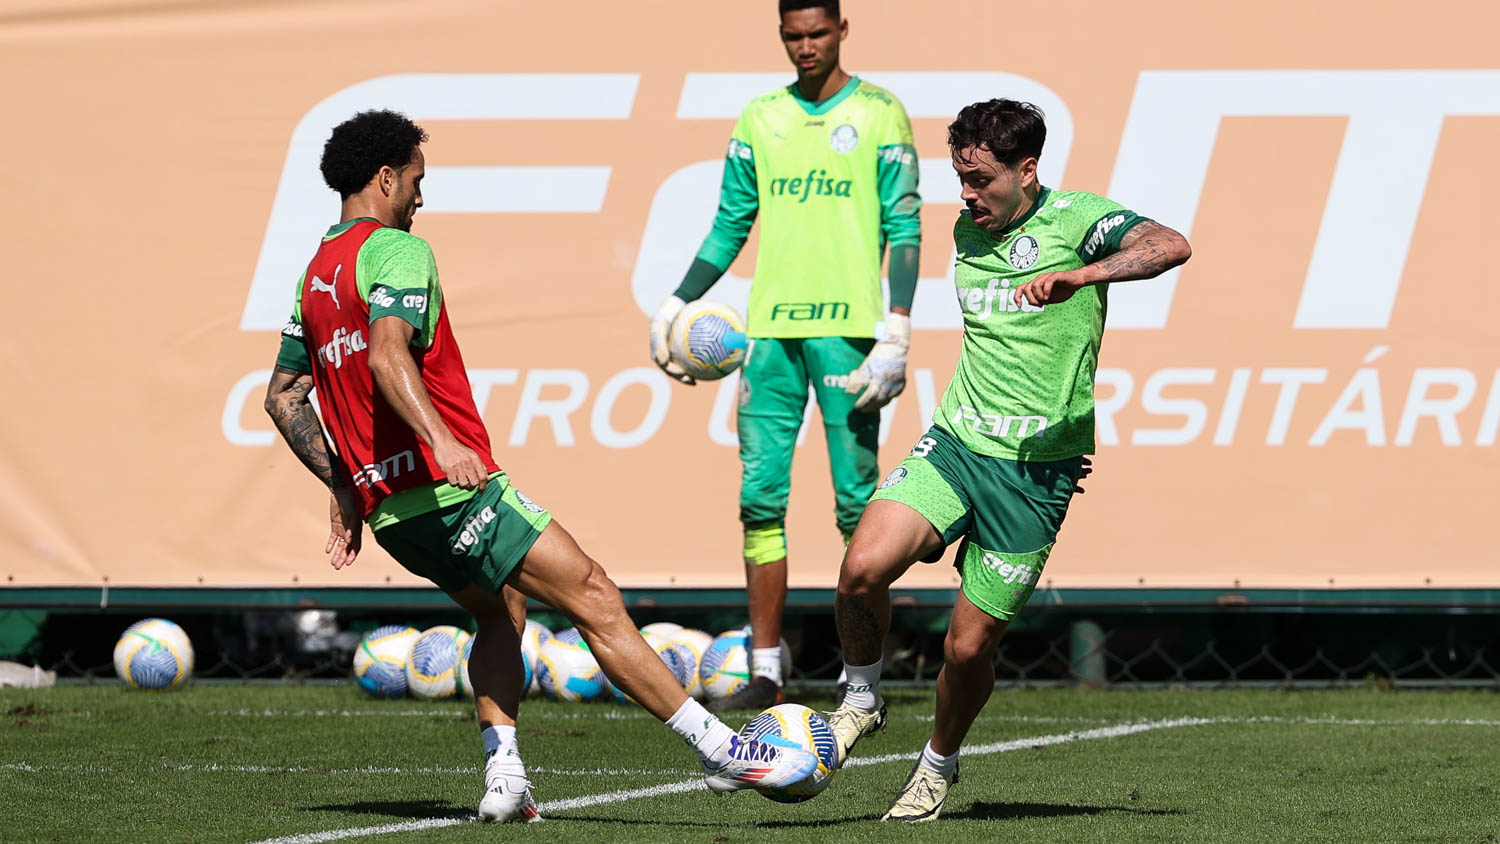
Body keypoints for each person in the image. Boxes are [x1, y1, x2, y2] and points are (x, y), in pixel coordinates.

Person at [263, 109, 818, 824]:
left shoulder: (314, 275)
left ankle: (506, 778)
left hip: (396, 515)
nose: (421, 198)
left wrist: (344, 482)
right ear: (386, 177)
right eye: (418, 182)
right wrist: (440, 440)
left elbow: (282, 398)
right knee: (593, 593)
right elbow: (386, 354)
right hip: (451, 491)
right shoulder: (396, 250)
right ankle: (725, 753)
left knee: (504, 614)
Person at [821, 98, 1193, 821]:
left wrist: (1084, 278)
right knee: (861, 566)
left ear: (1027, 171)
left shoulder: (1080, 221)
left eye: (981, 179)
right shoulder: (970, 226)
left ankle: (937, 765)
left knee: (967, 650)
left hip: (1035, 473)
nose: (965, 195)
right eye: (959, 177)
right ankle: (861, 697)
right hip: (958, 444)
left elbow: (1172, 244)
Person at [647, 0, 922, 712]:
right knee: (759, 501)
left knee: (857, 508)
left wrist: (897, 328)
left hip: (850, 338)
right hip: (767, 340)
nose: (806, 47)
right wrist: (677, 303)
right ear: (782, 37)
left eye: (818, 33)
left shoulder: (881, 114)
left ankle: (862, 680)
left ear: (842, 31)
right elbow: (730, 224)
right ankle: (766, 671)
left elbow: (905, 226)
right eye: (794, 36)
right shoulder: (760, 118)